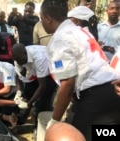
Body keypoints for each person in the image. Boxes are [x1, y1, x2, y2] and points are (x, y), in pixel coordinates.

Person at [40, 0, 120, 141]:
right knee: (106, 134)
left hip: (95, 97)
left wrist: (54, 121)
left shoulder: (60, 39)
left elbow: (68, 84)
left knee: (79, 136)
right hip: (111, 91)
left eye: (41, 19)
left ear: (48, 18)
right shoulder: (79, 30)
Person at [12, 43, 57, 125]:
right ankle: (20, 122)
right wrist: (19, 92)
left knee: (43, 102)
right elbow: (19, 76)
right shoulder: (18, 58)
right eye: (16, 60)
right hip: (35, 72)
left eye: (20, 60)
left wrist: (29, 103)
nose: (19, 62)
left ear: (25, 54)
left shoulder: (39, 57)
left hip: (50, 74)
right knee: (26, 94)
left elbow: (42, 86)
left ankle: (39, 126)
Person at [0, 53, 28, 128]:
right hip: (0, 94)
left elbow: (7, 90)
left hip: (13, 94)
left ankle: (15, 112)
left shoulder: (7, 68)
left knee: (15, 118)